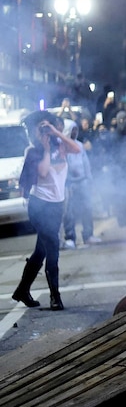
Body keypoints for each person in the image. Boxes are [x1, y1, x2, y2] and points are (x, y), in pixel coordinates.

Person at [12, 113, 82, 310]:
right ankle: (55, 297)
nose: (44, 131)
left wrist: (55, 133)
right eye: (40, 128)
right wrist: (45, 147)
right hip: (39, 206)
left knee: (40, 251)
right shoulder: (33, 151)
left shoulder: (61, 146)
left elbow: (76, 149)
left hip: (56, 206)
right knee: (52, 248)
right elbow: (42, 172)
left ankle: (22, 290)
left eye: (46, 126)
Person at [61, 119, 100, 249]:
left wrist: (89, 179)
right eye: (72, 130)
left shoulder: (79, 145)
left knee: (87, 208)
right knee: (69, 212)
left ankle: (88, 235)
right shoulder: (63, 147)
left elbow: (86, 164)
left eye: (75, 130)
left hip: (82, 181)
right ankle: (70, 237)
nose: (74, 133)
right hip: (69, 184)